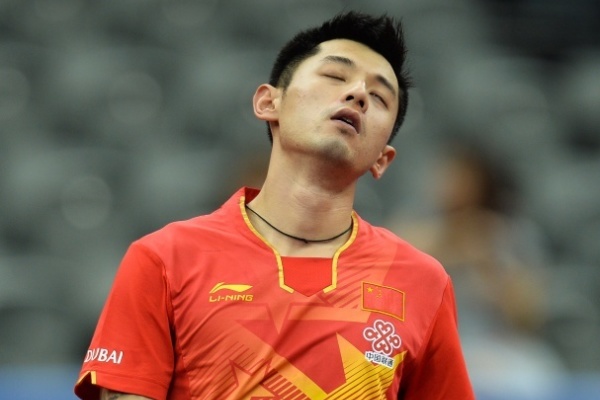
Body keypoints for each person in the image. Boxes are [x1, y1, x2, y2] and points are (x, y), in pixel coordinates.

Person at [74, 11, 475, 400]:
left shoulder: (423, 283)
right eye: (334, 77)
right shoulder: (164, 259)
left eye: (379, 97)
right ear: (268, 103)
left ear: (382, 159)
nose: (357, 95)